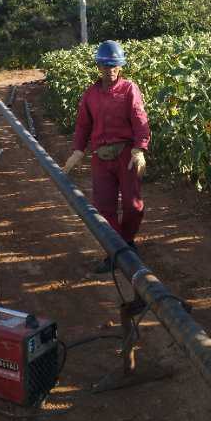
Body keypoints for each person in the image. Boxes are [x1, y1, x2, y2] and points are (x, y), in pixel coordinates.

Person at [63, 40, 150, 274]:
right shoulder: (91, 94)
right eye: (105, 66)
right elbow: (83, 125)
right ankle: (117, 251)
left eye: (114, 66)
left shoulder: (129, 89)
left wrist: (140, 148)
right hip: (101, 157)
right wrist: (78, 150)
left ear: (120, 67)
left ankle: (126, 241)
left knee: (133, 206)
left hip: (126, 154)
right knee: (104, 207)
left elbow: (140, 119)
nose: (110, 70)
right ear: (98, 67)